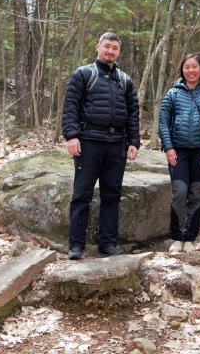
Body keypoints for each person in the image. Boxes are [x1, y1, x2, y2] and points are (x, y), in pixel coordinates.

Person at [62, 32, 140, 260]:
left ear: (119, 52)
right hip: (88, 142)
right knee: (81, 194)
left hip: (117, 144)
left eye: (115, 48)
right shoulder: (84, 74)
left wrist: (133, 141)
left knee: (112, 195)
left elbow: (133, 113)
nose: (111, 51)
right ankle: (76, 245)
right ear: (98, 47)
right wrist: (71, 136)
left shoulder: (125, 80)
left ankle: (108, 244)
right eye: (107, 47)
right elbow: (71, 107)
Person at [159, 54, 200, 253]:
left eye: (194, 67)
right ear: (182, 70)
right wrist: (168, 148)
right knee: (180, 192)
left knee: (195, 194)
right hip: (178, 152)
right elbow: (163, 123)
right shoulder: (172, 95)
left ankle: (190, 237)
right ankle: (177, 236)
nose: (191, 70)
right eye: (187, 67)